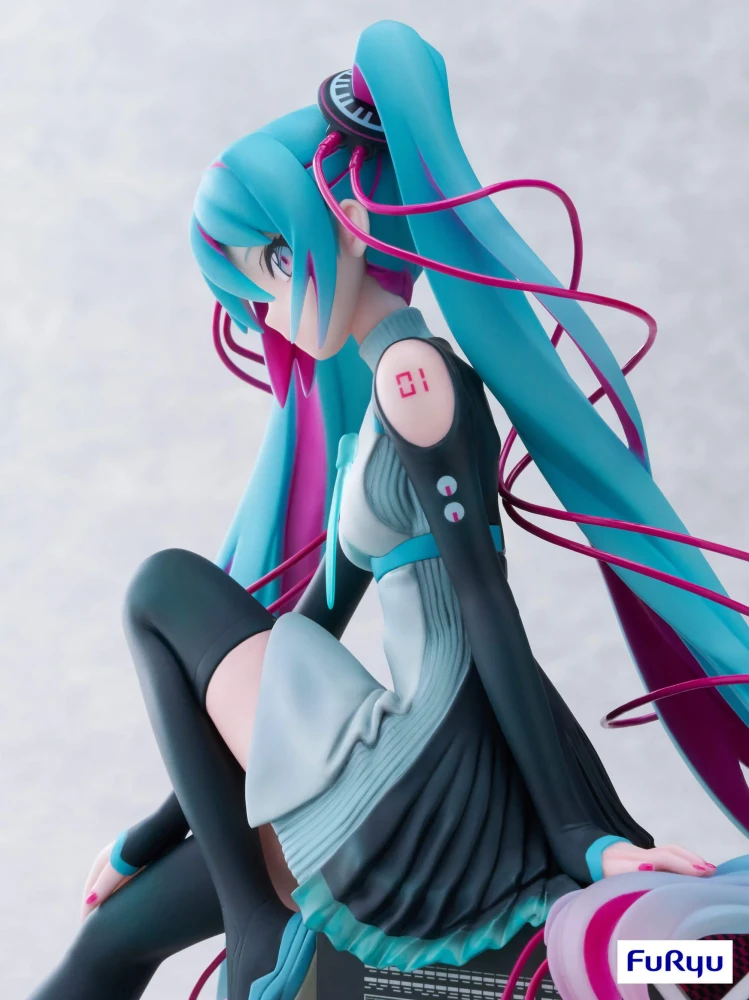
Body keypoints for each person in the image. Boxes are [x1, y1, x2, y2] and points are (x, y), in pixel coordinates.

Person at [30, 20, 749, 1000]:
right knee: (112, 939)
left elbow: (486, 610)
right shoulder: (380, 396)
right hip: (385, 768)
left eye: (270, 269)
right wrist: (145, 836)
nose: (269, 315)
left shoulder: (415, 380)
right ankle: (262, 927)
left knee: (161, 587)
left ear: (344, 223)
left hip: (412, 774)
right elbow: (314, 618)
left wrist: (579, 835)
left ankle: (260, 933)